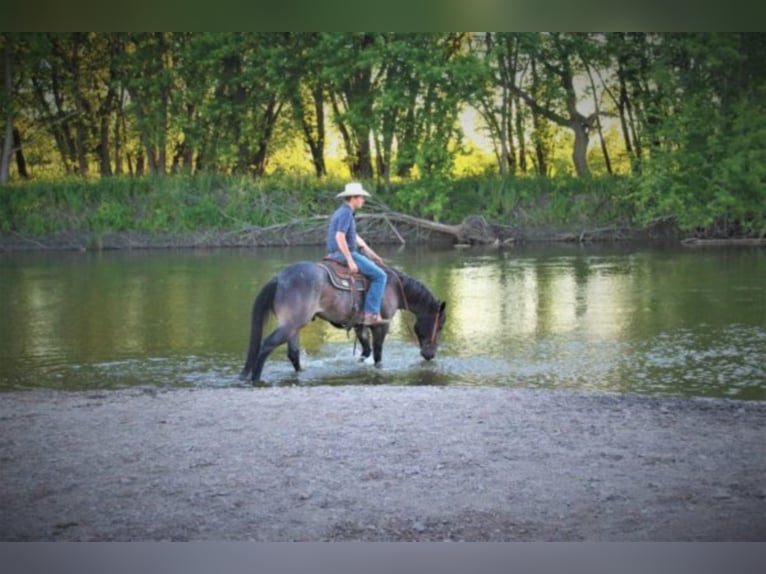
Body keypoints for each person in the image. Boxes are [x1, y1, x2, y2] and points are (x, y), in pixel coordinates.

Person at [326, 182, 389, 326]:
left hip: (334, 253)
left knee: (375, 267)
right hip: (342, 254)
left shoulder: (342, 211)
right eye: (361, 197)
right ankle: (371, 314)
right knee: (380, 276)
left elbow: (353, 236)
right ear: (353, 198)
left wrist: (369, 251)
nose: (363, 200)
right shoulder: (346, 213)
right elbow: (340, 237)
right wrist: (350, 260)